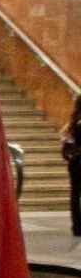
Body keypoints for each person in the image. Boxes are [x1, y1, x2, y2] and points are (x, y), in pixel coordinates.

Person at [63, 94, 81, 237]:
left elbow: (66, 146)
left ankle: (76, 226)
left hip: (75, 163)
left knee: (75, 194)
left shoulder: (72, 123)